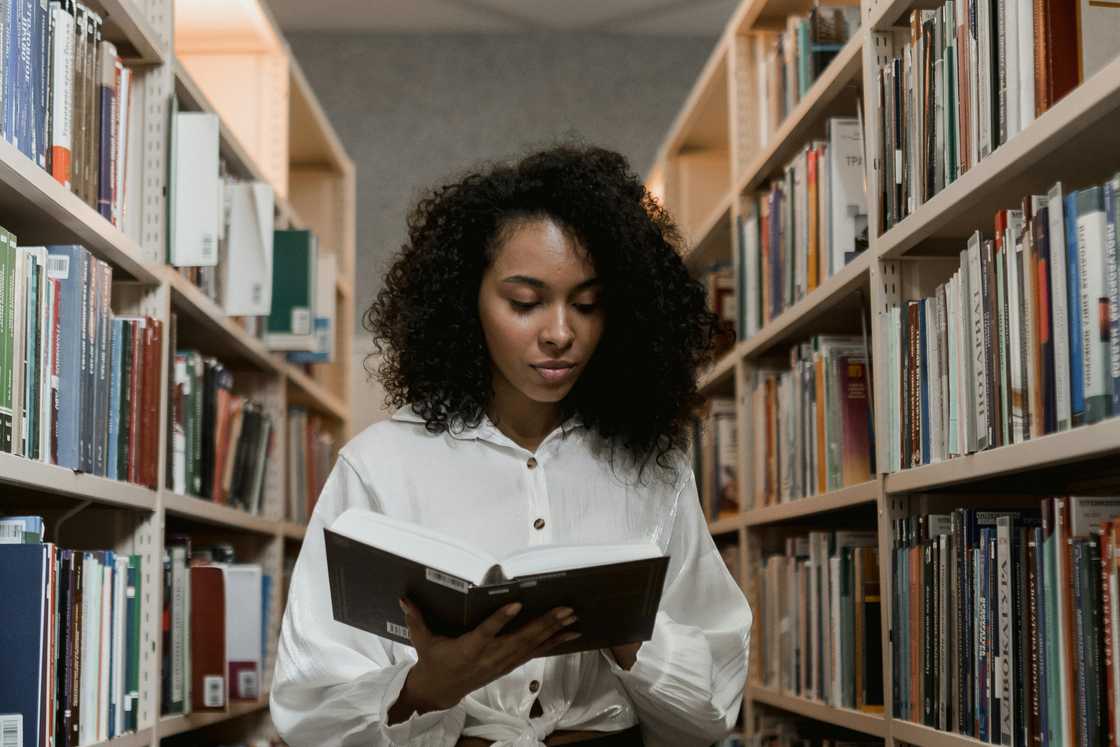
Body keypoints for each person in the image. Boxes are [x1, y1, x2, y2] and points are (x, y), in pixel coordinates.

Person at [270, 144, 753, 747]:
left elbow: (710, 714)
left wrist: (628, 634)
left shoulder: (654, 468)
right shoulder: (378, 465)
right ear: (466, 300)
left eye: (588, 304)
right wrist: (427, 689)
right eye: (524, 303)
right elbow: (310, 709)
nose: (559, 333)